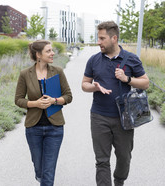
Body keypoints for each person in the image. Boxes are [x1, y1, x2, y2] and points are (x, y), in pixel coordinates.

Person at [81, 21, 149, 186]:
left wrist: (127, 79)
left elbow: (145, 83)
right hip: (99, 116)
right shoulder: (94, 60)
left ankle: (119, 181)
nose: (99, 42)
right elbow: (84, 84)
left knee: (124, 157)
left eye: (102, 38)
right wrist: (94, 87)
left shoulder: (131, 59)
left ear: (114, 38)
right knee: (102, 160)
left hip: (124, 117)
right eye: (98, 38)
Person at [15, 40, 72, 186]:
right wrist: (36, 104)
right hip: (34, 128)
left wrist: (54, 100)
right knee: (39, 168)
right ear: (38, 55)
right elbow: (19, 100)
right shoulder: (25, 74)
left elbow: (68, 96)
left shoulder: (57, 71)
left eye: (52, 50)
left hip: (55, 128)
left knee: (48, 171)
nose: (52, 53)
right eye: (48, 51)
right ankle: (41, 177)